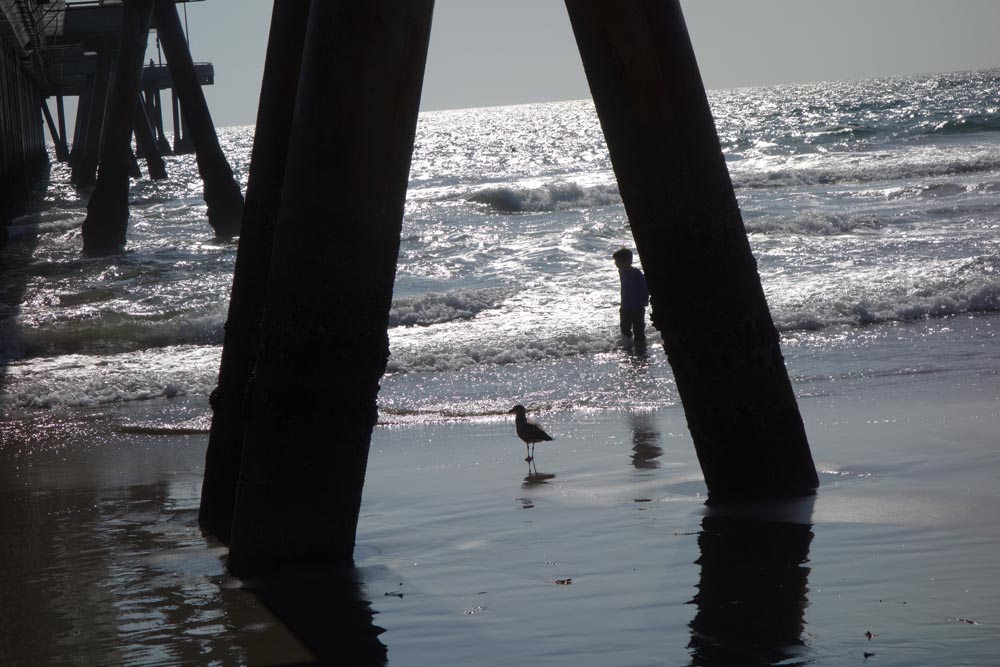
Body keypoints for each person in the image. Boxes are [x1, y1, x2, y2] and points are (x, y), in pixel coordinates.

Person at [613, 247, 649, 343]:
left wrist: (645, 299)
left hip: (638, 307)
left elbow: (644, 285)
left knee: (639, 330)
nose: (615, 263)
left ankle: (640, 348)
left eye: (617, 261)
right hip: (625, 307)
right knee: (625, 329)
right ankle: (628, 346)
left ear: (627, 261)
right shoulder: (621, 271)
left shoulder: (636, 272)